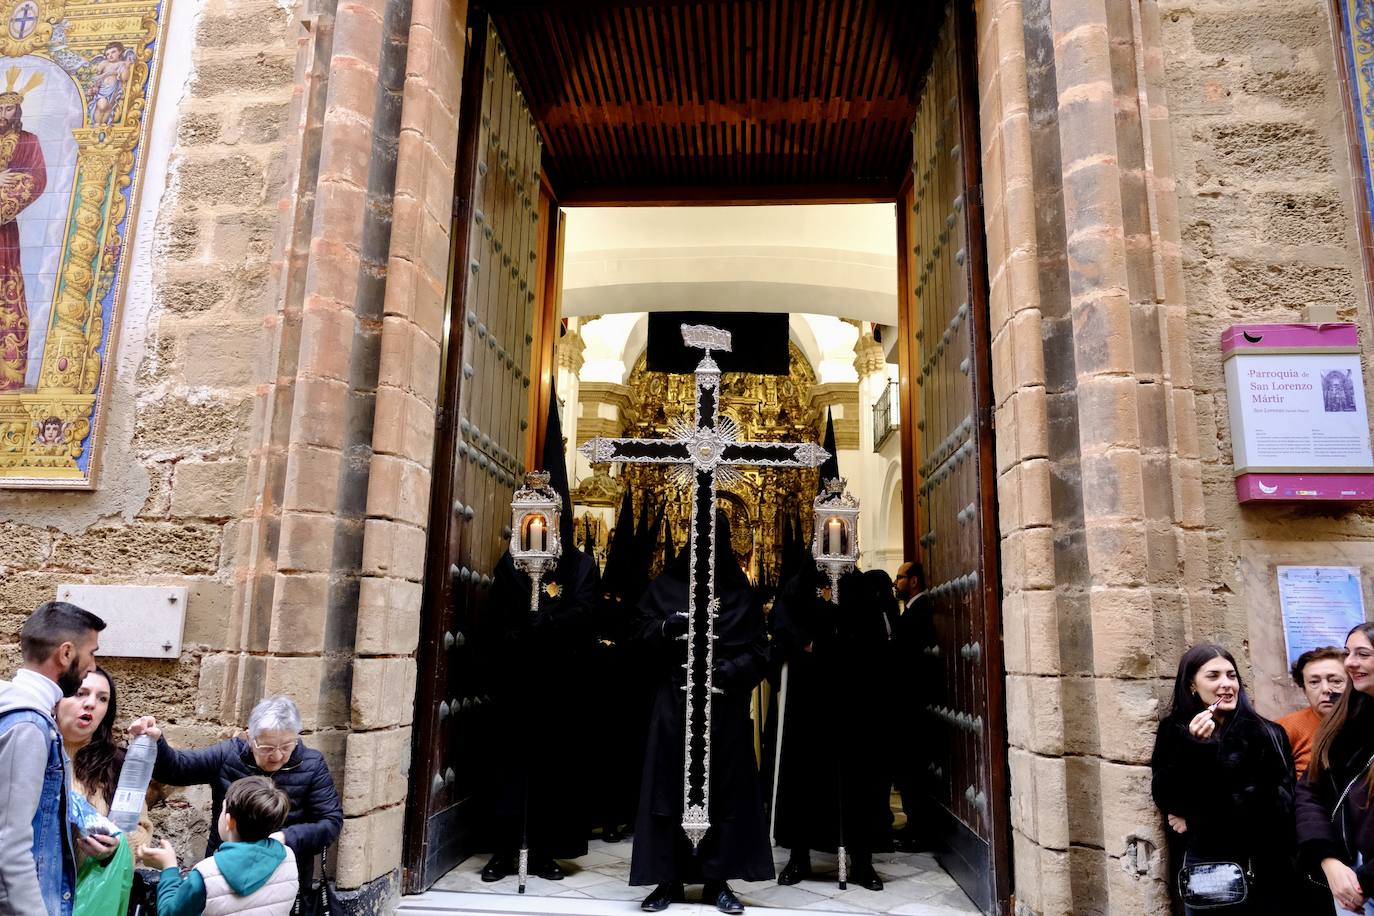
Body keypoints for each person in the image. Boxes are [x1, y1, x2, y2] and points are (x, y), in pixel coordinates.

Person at [478, 387, 599, 882]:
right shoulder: (510, 564)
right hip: (515, 683)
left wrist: (547, 623)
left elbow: (584, 611)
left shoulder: (580, 566)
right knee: (508, 766)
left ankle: (545, 850)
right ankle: (503, 850)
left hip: (559, 683)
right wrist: (514, 634)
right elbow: (495, 615)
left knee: (553, 769)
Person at [630, 510, 773, 915]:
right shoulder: (667, 585)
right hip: (675, 706)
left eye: (714, 537)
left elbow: (760, 651)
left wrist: (733, 669)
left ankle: (717, 880)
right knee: (668, 788)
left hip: (723, 708)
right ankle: (667, 878)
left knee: (724, 791)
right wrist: (665, 629)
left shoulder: (739, 593)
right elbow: (637, 633)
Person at [128, 695, 342, 910]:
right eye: (267, 747)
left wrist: (286, 838)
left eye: (286, 746)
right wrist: (156, 742)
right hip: (223, 875)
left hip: (283, 878)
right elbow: (177, 769)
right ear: (249, 737)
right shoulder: (228, 754)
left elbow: (331, 822)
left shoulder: (312, 764)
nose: (277, 756)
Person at [770, 563, 892, 891]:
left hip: (853, 696)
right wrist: (806, 642)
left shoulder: (860, 585)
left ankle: (862, 861)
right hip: (810, 696)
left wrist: (849, 646)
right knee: (805, 773)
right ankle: (799, 856)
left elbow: (876, 634)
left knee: (857, 777)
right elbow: (782, 620)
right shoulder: (801, 582)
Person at [1150, 643, 1297, 915]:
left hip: (1266, 871)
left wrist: (1197, 821)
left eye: (1232, 675)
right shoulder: (1175, 730)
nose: (1226, 684)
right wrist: (1195, 747)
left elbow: (1276, 807)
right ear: (1192, 685)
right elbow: (1167, 797)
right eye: (1213, 676)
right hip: (1209, 875)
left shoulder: (1267, 732)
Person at [0, 600, 106, 916]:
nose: (92, 666)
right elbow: (9, 844)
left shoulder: (18, 711)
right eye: (92, 653)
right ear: (66, 653)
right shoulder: (29, 725)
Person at [56, 666, 153, 915]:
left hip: (90, 897)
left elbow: (141, 829)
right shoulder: (32, 749)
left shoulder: (117, 763)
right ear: (57, 698)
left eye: (102, 699)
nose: (91, 703)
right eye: (80, 693)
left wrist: (116, 846)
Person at [1298, 621, 1374, 915]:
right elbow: (1309, 792)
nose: (1351, 662)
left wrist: (1364, 880)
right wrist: (1328, 859)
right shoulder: (1344, 723)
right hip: (1348, 880)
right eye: (1348, 653)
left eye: (1363, 654)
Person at [141, 775, 298, 915]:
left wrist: (169, 867)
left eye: (222, 810)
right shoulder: (288, 858)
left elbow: (169, 913)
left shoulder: (205, 874)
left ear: (230, 821)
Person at [891, 560, 937, 852]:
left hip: (912, 701)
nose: (896, 583)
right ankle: (913, 825)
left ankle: (919, 829)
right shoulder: (911, 610)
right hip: (908, 700)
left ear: (914, 581)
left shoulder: (920, 611)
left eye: (900, 577)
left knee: (913, 767)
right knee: (908, 767)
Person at [1279, 646, 1347, 778]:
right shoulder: (1286, 729)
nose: (1326, 689)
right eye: (1314, 682)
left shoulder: (1364, 724)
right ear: (1304, 689)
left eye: (1336, 681)